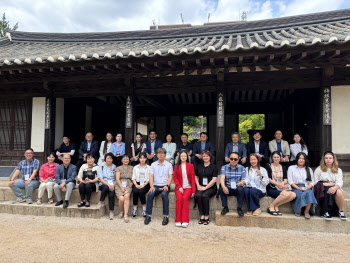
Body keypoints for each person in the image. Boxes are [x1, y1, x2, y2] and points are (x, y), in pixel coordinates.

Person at [314, 151, 347, 220]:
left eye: (330, 158)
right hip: (322, 188)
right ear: (324, 159)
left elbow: (340, 182)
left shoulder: (338, 170)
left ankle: (341, 211)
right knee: (327, 190)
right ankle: (325, 212)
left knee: (339, 192)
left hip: (335, 187)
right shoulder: (319, 169)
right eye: (326, 158)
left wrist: (334, 188)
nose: (328, 160)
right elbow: (315, 182)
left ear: (333, 159)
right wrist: (328, 184)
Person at [144, 148, 173, 225]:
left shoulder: (169, 164)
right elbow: (151, 176)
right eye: (159, 153)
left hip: (165, 185)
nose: (160, 155)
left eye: (162, 153)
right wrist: (151, 186)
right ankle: (148, 215)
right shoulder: (153, 164)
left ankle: (166, 216)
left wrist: (167, 185)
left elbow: (170, 176)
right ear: (156, 155)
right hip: (156, 185)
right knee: (150, 194)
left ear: (165, 155)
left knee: (164, 194)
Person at [288, 152, 317, 219]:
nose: (301, 160)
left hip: (306, 186)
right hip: (295, 187)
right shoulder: (291, 168)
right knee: (300, 194)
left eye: (303, 159)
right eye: (299, 158)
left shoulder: (309, 169)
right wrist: (298, 188)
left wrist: (307, 188)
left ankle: (306, 211)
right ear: (297, 159)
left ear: (305, 160)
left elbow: (312, 182)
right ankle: (299, 210)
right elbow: (290, 181)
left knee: (310, 193)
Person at [266, 151, 296, 216]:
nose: (276, 159)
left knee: (293, 195)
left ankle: (276, 205)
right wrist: (277, 184)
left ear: (280, 158)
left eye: (277, 157)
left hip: (282, 186)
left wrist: (282, 183)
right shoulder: (268, 166)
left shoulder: (283, 167)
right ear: (272, 158)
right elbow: (269, 179)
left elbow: (285, 179)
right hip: (272, 187)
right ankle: (271, 206)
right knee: (285, 194)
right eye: (274, 157)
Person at [173, 150, 196, 228]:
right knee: (179, 199)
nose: (183, 157)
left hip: (188, 187)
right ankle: (178, 220)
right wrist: (179, 187)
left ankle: (185, 220)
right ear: (179, 157)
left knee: (185, 199)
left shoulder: (190, 165)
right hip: (179, 187)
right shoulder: (176, 166)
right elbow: (175, 177)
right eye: (182, 156)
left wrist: (193, 190)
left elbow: (193, 178)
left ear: (187, 157)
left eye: (185, 156)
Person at [219, 152, 246, 217]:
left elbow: (244, 179)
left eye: (235, 159)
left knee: (241, 189)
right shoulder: (224, 167)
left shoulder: (242, 168)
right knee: (221, 188)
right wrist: (223, 186)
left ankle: (239, 208)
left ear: (238, 160)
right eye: (231, 159)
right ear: (229, 159)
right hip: (228, 188)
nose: (233, 160)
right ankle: (225, 207)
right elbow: (222, 178)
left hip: (237, 187)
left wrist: (242, 182)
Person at [195, 150, 217, 225]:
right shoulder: (199, 166)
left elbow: (214, 179)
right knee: (198, 195)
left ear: (210, 157)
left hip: (211, 187)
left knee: (204, 196)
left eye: (207, 156)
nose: (205, 157)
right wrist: (198, 185)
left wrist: (206, 187)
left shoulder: (213, 167)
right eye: (204, 156)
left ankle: (207, 216)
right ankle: (202, 215)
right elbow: (196, 176)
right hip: (201, 186)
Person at [97, 153, 116, 220]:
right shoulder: (102, 166)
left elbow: (117, 178)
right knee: (106, 187)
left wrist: (113, 185)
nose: (109, 160)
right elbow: (100, 178)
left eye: (110, 158)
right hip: (103, 184)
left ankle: (111, 212)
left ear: (112, 159)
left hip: (112, 184)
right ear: (105, 159)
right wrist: (108, 185)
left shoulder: (114, 167)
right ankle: (101, 201)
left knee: (111, 195)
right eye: (107, 158)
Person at [115, 155, 133, 223]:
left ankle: (125, 215)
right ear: (122, 160)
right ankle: (121, 211)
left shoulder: (132, 168)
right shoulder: (118, 168)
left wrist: (132, 182)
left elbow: (134, 177)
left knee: (126, 196)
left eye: (127, 159)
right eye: (124, 159)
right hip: (119, 184)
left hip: (128, 184)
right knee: (121, 199)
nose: (126, 160)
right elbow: (117, 179)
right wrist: (121, 187)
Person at [131, 153, 150, 217]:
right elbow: (133, 178)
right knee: (135, 191)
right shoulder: (135, 167)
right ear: (139, 159)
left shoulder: (149, 167)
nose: (142, 159)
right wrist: (136, 184)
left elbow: (148, 178)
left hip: (145, 183)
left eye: (144, 158)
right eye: (141, 158)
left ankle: (144, 209)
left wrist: (144, 185)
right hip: (137, 182)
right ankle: (135, 209)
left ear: (146, 159)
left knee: (141, 191)